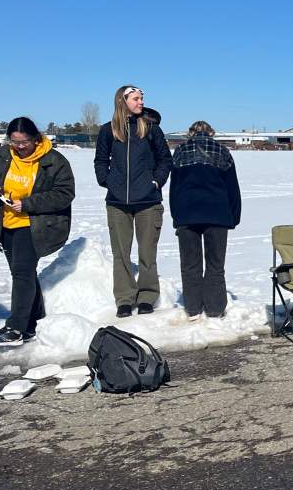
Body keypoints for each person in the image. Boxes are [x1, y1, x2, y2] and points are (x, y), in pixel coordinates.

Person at [93, 85, 173, 317]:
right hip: (117, 202)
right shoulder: (108, 130)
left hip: (148, 201)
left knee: (147, 252)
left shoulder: (151, 129)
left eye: (142, 99)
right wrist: (106, 181)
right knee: (121, 253)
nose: (141, 102)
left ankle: (147, 296)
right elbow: (100, 159)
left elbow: (165, 160)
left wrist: (156, 182)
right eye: (136, 99)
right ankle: (125, 299)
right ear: (122, 101)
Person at [0, 118, 76, 347]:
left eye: (24, 142)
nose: (19, 147)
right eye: (14, 142)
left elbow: (65, 193)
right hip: (5, 223)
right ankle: (34, 321)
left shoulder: (54, 160)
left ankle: (16, 328)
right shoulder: (2, 155)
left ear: (36, 138)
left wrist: (29, 203)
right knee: (24, 273)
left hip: (35, 225)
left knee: (21, 273)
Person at [169, 121, 241, 320]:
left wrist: (177, 216)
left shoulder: (180, 151)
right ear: (211, 133)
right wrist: (234, 217)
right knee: (215, 265)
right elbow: (232, 188)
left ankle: (193, 308)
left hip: (186, 213)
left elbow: (174, 188)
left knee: (190, 264)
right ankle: (215, 309)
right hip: (217, 213)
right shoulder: (222, 151)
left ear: (190, 133)